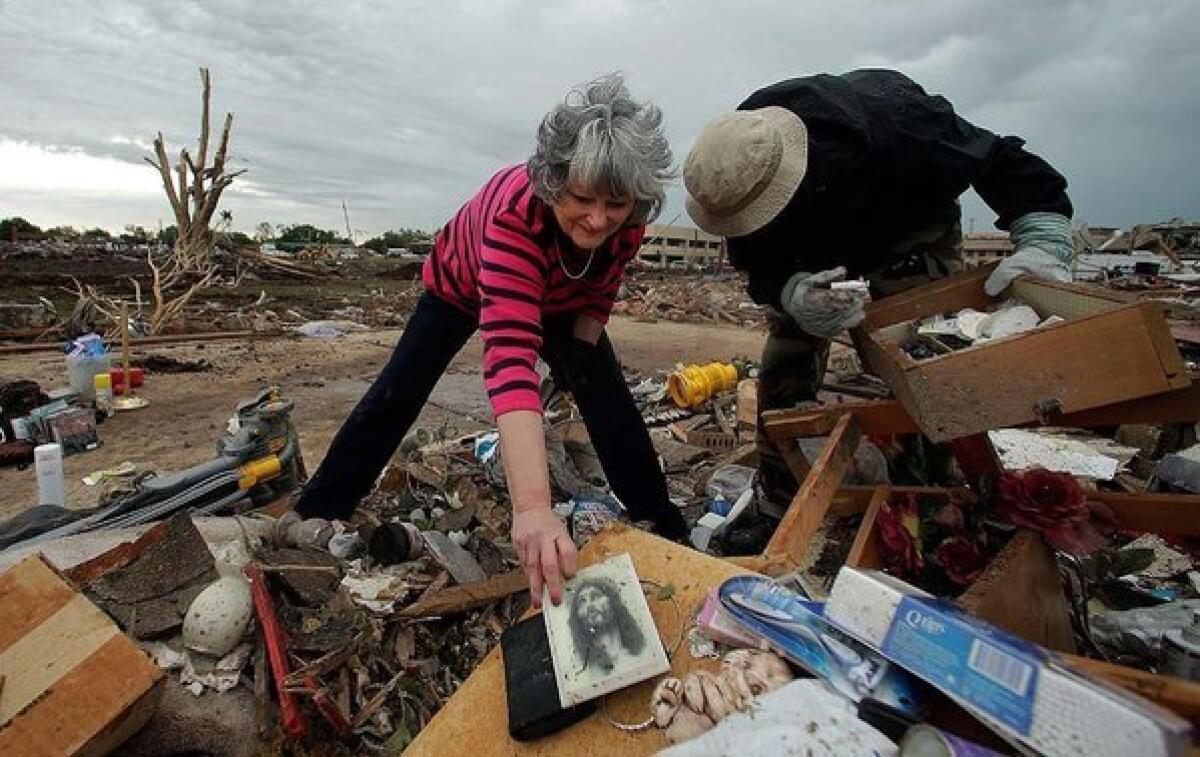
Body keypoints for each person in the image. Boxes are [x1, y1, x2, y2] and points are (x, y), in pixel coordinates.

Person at [294, 74, 686, 606]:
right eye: (582, 198)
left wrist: (584, 348)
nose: (598, 218)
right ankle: (318, 509)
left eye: (613, 204)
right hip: (459, 288)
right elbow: (509, 365)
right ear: (553, 181)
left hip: (563, 295)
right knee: (400, 391)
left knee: (608, 397)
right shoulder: (514, 220)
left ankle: (660, 521)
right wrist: (532, 512)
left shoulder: (626, 214)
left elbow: (605, 277)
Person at [682, 69, 1074, 515]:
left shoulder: (904, 124)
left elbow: (997, 158)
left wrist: (1044, 231)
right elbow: (755, 260)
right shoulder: (731, 173)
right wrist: (790, 294)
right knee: (789, 351)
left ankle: (927, 495)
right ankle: (780, 494)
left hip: (906, 225)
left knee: (924, 352)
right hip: (806, 245)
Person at [568, 577, 645, 674]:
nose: (589, 605)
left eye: (595, 596)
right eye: (582, 602)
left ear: (612, 601)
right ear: (577, 617)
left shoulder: (640, 653)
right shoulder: (590, 670)